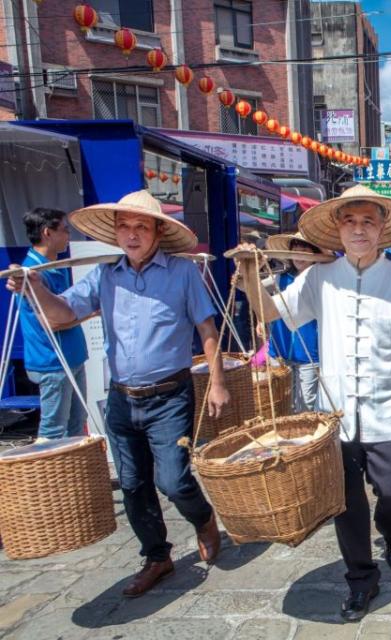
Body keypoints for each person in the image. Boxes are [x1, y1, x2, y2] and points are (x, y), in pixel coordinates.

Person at [234, 185, 391, 622]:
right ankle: (361, 580)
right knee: (346, 505)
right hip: (339, 419)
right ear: (338, 229)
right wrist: (250, 275)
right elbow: (272, 314)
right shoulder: (320, 278)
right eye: (350, 221)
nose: (359, 230)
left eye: (368, 221)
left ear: (382, 228)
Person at [7, 190, 229, 597]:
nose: (131, 235)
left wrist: (217, 382)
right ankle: (157, 555)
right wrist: (34, 288)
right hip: (123, 398)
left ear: (157, 231)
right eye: (124, 227)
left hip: (170, 396)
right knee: (132, 482)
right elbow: (62, 316)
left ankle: (203, 519)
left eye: (140, 226)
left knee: (173, 479)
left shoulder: (181, 273)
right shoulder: (106, 275)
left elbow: (207, 331)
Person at [18, 208, 89, 439]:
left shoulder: (54, 266)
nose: (69, 236)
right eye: (65, 230)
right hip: (53, 362)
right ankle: (50, 475)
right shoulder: (32, 273)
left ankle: (73, 474)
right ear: (48, 233)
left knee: (77, 425)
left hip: (72, 357)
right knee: (54, 430)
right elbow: (51, 322)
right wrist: (92, 313)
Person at [264, 232, 335, 413]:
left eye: (304, 251)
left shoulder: (322, 281)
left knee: (307, 403)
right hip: (281, 350)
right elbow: (260, 296)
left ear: (313, 255)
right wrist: (246, 271)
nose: (299, 256)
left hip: (309, 353)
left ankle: (310, 439)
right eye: (295, 251)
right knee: (284, 403)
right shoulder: (280, 279)